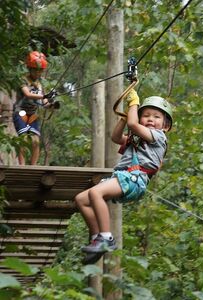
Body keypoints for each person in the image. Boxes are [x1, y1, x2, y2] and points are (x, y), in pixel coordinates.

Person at [75, 88, 173, 256]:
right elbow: (115, 137)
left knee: (96, 194)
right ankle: (96, 238)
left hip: (135, 179)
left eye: (156, 117)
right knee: (81, 199)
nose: (150, 119)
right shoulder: (137, 139)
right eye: (146, 115)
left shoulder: (158, 137)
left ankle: (106, 238)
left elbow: (134, 125)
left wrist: (134, 103)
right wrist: (124, 117)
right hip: (125, 178)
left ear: (165, 125)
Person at [13, 51, 56, 165]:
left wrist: (51, 105)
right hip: (21, 112)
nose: (38, 72)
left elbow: (44, 103)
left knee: (36, 141)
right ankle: (22, 165)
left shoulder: (41, 83)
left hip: (33, 114)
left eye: (40, 70)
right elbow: (27, 94)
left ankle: (33, 166)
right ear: (29, 68)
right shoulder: (23, 80)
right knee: (23, 139)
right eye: (35, 69)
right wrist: (44, 96)